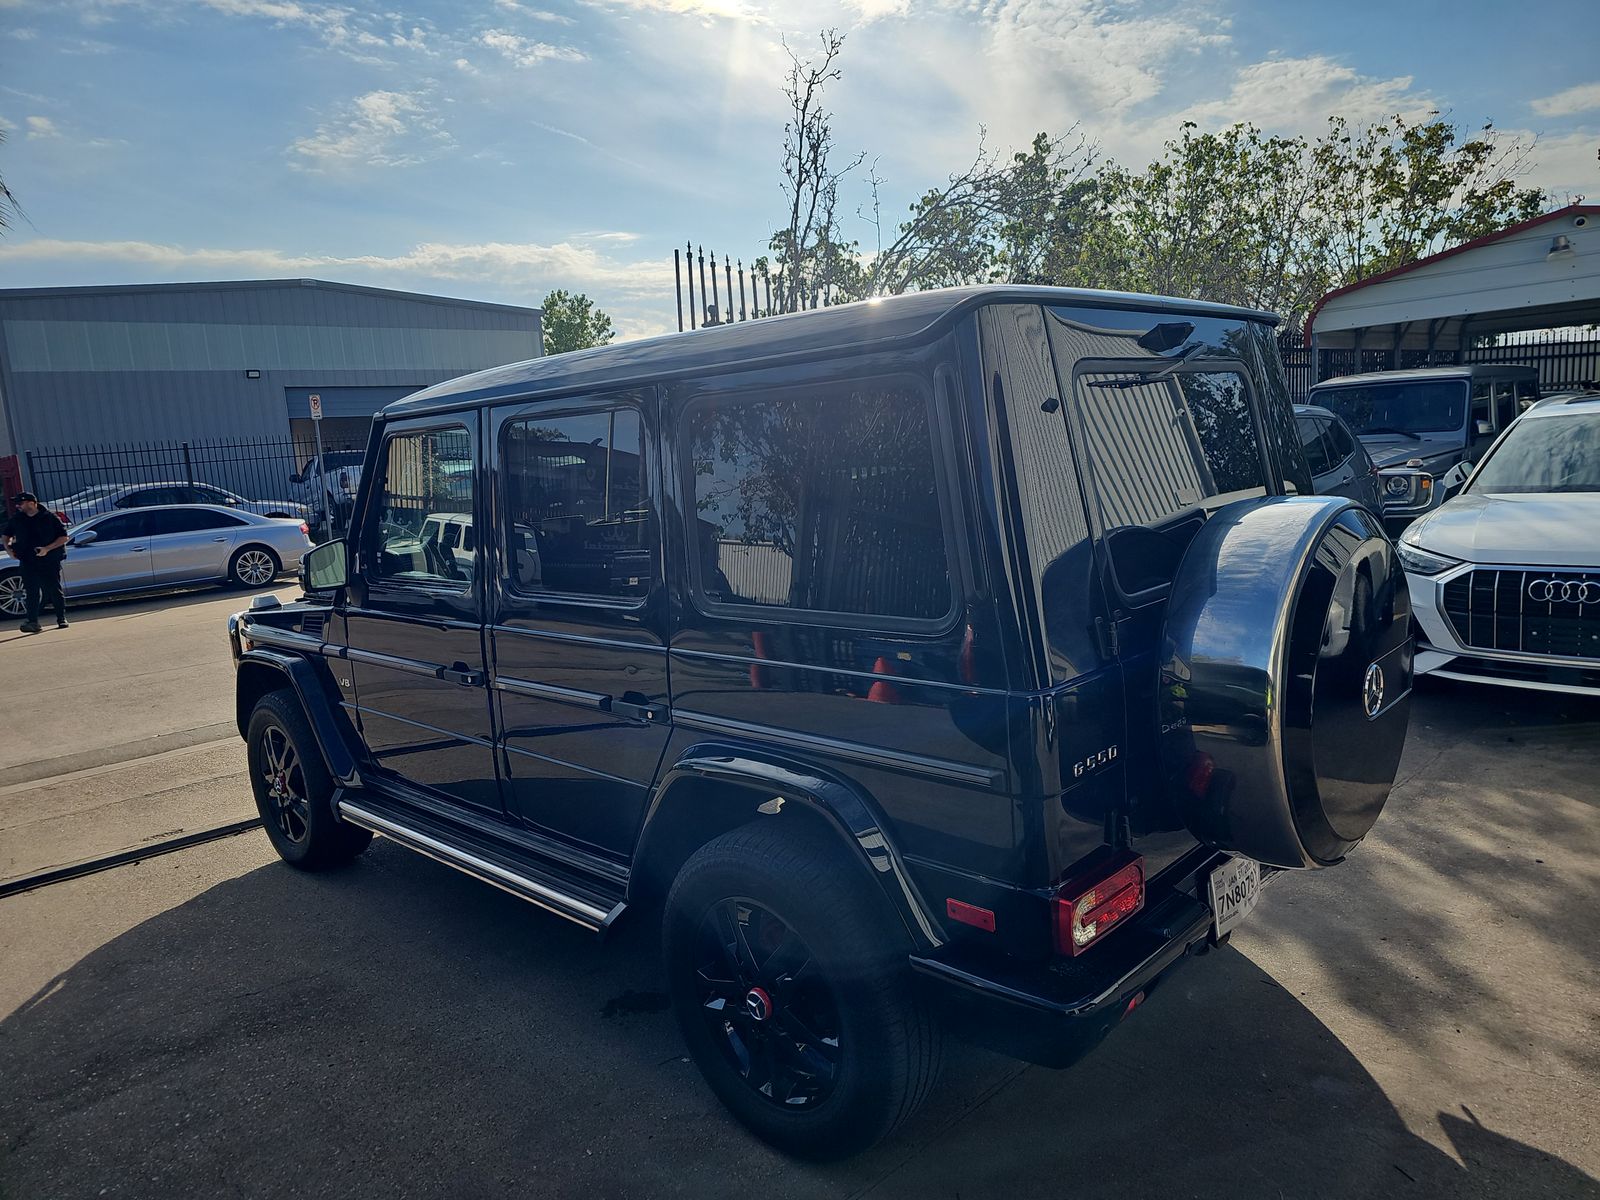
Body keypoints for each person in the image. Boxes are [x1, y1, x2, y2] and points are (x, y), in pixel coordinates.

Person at [3, 492, 69, 632]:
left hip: (48, 559)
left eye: (21, 503)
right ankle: (32, 622)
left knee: (54, 589)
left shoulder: (49, 517)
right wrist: (9, 550)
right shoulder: (17, 518)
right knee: (31, 592)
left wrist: (47, 548)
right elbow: (6, 535)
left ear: (32, 503)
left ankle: (61, 619)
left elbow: (64, 537)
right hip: (27, 560)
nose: (18, 506)